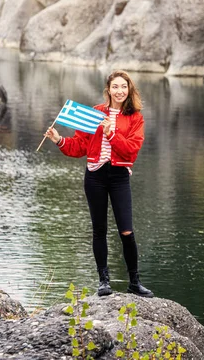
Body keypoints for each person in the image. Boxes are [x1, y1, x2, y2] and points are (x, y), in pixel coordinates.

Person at [44, 70, 153, 298]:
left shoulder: (136, 118)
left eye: (124, 87)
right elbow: (79, 147)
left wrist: (111, 134)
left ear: (129, 89)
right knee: (99, 230)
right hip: (95, 175)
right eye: (115, 87)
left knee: (126, 231)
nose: (120, 91)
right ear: (108, 89)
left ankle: (134, 282)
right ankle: (104, 282)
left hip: (119, 176)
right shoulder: (94, 113)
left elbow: (131, 150)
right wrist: (58, 140)